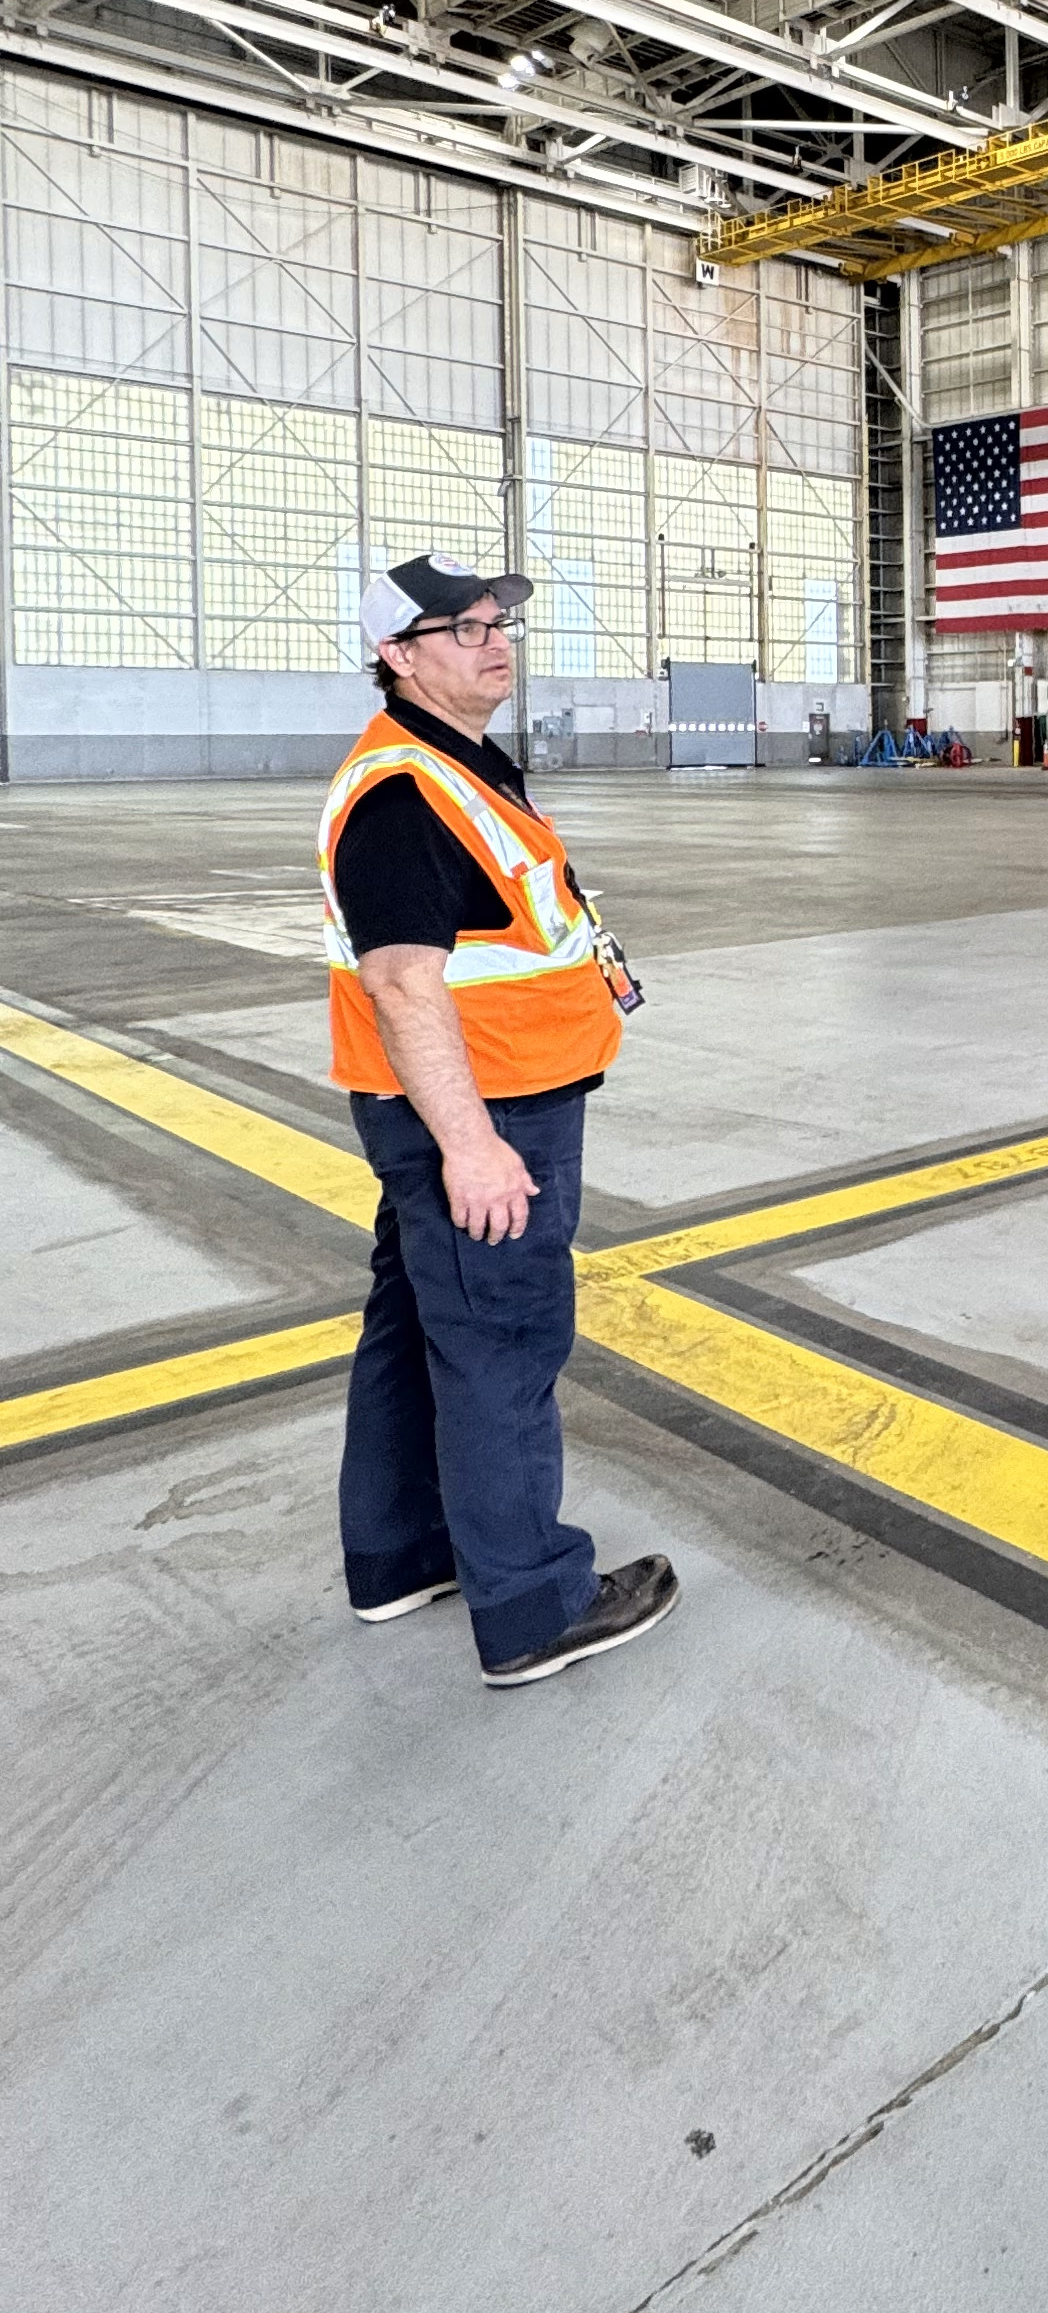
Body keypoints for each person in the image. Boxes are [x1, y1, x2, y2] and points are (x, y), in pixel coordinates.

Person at [321, 555, 676, 1690]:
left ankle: (402, 1554)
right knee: (501, 1341)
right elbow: (402, 983)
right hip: (482, 1112)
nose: (494, 642)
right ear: (397, 655)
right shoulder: (402, 794)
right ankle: (533, 1605)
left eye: (496, 623)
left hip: (476, 1098)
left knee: (413, 1324)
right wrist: (472, 1145)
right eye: (463, 629)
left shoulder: (458, 764)